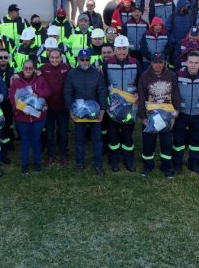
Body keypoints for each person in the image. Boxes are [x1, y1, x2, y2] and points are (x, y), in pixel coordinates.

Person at [64, 48, 108, 174]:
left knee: (97, 139)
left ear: (90, 59)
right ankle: (80, 163)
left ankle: (98, 164)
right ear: (78, 60)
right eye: (82, 59)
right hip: (79, 112)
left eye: (87, 59)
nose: (84, 61)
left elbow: (102, 92)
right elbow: (67, 92)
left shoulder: (97, 74)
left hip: (94, 111)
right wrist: (70, 109)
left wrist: (103, 109)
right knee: (79, 139)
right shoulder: (71, 74)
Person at [137, 52, 180, 177]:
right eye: (155, 62)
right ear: (151, 63)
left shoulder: (171, 75)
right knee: (148, 143)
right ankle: (147, 166)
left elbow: (176, 93)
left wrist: (176, 110)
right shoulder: (144, 76)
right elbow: (141, 96)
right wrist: (143, 117)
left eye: (160, 62)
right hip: (150, 116)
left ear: (164, 63)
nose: (158, 65)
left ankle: (166, 167)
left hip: (167, 116)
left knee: (166, 143)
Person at [103, 36, 141, 172]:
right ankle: (114, 159)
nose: (121, 51)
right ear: (114, 49)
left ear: (127, 49)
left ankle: (128, 159)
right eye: (119, 49)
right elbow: (104, 84)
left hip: (129, 107)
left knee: (127, 135)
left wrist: (139, 93)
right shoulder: (107, 64)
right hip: (113, 107)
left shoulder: (135, 63)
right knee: (113, 135)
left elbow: (140, 82)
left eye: (124, 48)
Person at [9, 59, 50, 174]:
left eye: (30, 68)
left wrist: (37, 92)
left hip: (38, 117)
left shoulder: (40, 79)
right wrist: (22, 108)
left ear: (34, 69)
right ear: (22, 69)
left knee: (36, 139)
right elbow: (12, 97)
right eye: (25, 68)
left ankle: (38, 162)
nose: (28, 70)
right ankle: (24, 164)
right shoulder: (17, 81)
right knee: (25, 140)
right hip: (22, 117)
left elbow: (48, 91)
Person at [173, 52, 199, 176]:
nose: (193, 65)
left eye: (196, 63)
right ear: (186, 63)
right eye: (191, 62)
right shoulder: (178, 75)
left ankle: (194, 164)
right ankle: (177, 164)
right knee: (178, 140)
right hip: (181, 113)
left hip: (198, 114)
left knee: (196, 141)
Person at [41, 48, 71, 167]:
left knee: (63, 132)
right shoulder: (43, 68)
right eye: (52, 57)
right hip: (48, 108)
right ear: (49, 58)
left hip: (63, 107)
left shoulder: (67, 68)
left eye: (57, 57)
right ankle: (51, 155)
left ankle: (63, 154)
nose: (54, 60)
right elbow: (30, 72)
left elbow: (78, 74)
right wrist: (16, 75)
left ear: (61, 57)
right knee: (49, 133)